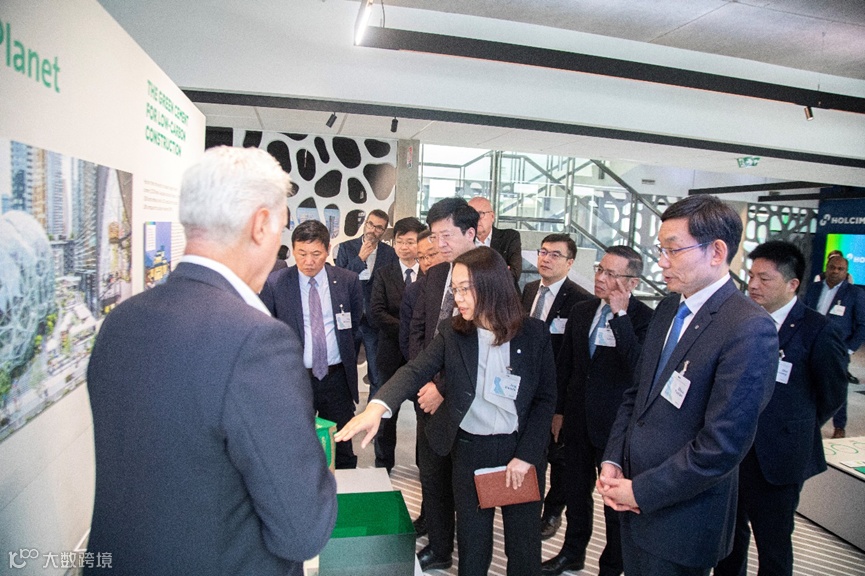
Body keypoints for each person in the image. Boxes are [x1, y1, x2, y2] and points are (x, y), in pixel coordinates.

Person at [85, 146, 336, 576]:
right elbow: (303, 529)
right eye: (281, 226)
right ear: (261, 224)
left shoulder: (120, 321)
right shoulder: (258, 341)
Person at [335, 246, 557, 576]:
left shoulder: (533, 334)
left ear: (492, 285)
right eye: (455, 289)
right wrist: (378, 407)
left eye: (465, 289)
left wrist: (526, 456)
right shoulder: (454, 332)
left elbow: (545, 400)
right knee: (473, 545)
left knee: (523, 547)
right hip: (470, 448)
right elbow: (415, 370)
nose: (458, 298)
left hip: (520, 451)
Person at [598, 195, 778, 576]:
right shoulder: (669, 308)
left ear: (716, 252)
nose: (662, 262)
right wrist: (613, 458)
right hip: (631, 500)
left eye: (673, 250)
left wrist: (641, 491)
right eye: (661, 249)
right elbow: (637, 394)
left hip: (681, 520)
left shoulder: (748, 327)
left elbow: (722, 445)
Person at [715, 240, 847, 576]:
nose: (753, 285)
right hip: (734, 451)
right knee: (728, 539)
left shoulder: (817, 330)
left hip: (780, 458)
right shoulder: (740, 321)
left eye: (765, 279)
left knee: (773, 546)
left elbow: (832, 394)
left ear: (792, 284)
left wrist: (793, 425)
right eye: (751, 276)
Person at [542, 245, 653, 576]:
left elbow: (638, 369)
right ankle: (572, 553)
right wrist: (558, 411)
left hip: (616, 427)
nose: (601, 278)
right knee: (576, 493)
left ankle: (611, 566)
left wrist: (620, 316)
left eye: (611, 274)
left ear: (632, 282)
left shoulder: (645, 319)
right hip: (576, 420)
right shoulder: (582, 310)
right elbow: (567, 364)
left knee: (613, 505)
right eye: (599, 270)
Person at [407, 196, 480, 570]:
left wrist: (443, 387)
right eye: (434, 236)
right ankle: (439, 546)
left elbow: (485, 348)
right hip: (427, 393)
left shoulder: (490, 277)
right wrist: (423, 380)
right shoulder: (436, 274)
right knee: (431, 474)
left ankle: (471, 555)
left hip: (466, 401)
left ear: (471, 233)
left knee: (463, 485)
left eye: (446, 235)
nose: (439, 244)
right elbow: (419, 329)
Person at [261, 219, 364, 469]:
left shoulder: (347, 281)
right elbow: (267, 333)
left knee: (341, 444)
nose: (308, 261)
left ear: (327, 250)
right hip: (295, 379)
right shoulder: (276, 283)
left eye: (316, 254)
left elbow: (354, 326)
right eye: (302, 253)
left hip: (336, 379)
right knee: (295, 444)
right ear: (293, 250)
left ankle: (342, 489)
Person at [520, 233, 592, 540]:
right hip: (523, 387)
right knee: (528, 449)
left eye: (555, 255)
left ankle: (552, 510)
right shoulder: (529, 289)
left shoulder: (580, 300)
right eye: (543, 252)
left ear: (570, 262)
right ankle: (524, 504)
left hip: (557, 392)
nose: (546, 259)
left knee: (559, 457)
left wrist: (560, 408)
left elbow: (574, 360)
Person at [368, 216, 426, 472]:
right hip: (389, 354)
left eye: (410, 242)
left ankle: (425, 465)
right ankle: (383, 464)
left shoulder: (430, 273)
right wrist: (410, 329)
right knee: (386, 412)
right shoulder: (384, 273)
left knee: (424, 413)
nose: (404, 247)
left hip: (421, 355)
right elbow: (377, 312)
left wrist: (415, 335)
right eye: (399, 241)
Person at [398, 227, 444, 537]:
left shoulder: (461, 284)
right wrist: (424, 377)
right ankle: (429, 517)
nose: (427, 262)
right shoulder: (417, 289)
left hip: (454, 389)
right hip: (424, 386)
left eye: (432, 255)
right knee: (427, 461)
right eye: (423, 257)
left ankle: (444, 523)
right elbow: (410, 336)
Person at [803, 254, 865, 438]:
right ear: (826, 268)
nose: (835, 272)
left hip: (837, 349)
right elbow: (803, 312)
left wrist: (849, 348)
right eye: (832, 267)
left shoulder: (854, 294)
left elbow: (862, 324)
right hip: (810, 344)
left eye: (840, 269)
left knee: (837, 387)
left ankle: (839, 426)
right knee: (807, 384)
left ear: (846, 272)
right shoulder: (814, 288)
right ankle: (810, 422)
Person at [336, 209, 397, 390]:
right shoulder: (346, 248)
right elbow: (339, 282)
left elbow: (390, 286)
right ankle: (345, 405)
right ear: (365, 224)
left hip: (374, 322)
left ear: (383, 231)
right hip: (349, 319)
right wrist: (360, 258)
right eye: (370, 224)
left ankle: (374, 406)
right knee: (344, 370)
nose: (373, 230)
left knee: (377, 374)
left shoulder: (389, 253)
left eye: (379, 227)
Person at [469, 196, 522, 290]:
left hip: (504, 295)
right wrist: (498, 271)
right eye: (471, 215)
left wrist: (475, 275)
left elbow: (514, 274)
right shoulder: (464, 241)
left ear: (492, 216)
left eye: (480, 214)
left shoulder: (509, 237)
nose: (476, 219)